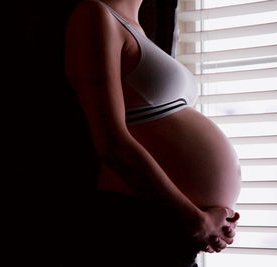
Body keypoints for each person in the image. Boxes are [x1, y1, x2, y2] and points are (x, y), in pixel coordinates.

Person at [63, 0, 242, 266]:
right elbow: (112, 144)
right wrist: (195, 220)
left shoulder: (136, 27)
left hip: (167, 226)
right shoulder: (95, 14)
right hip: (138, 224)